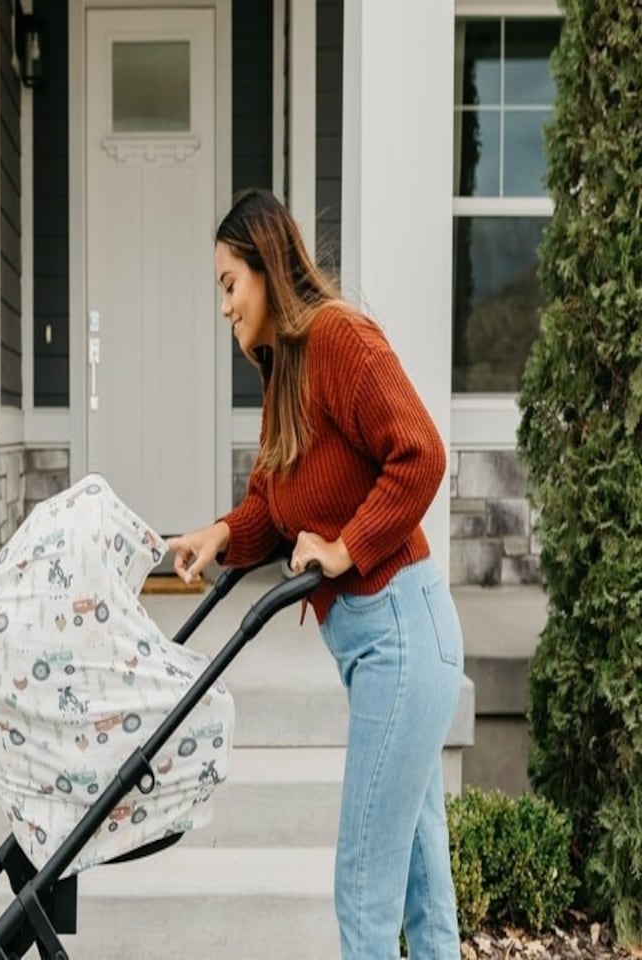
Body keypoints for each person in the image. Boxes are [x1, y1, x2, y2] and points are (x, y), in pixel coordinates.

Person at [167, 187, 464, 959]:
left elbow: (422, 453)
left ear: (266, 270)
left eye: (229, 285)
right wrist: (219, 535)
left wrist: (345, 546)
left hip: (402, 632)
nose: (224, 307)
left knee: (364, 888)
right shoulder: (284, 374)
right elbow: (272, 509)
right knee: (424, 893)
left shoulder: (340, 341)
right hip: (382, 646)